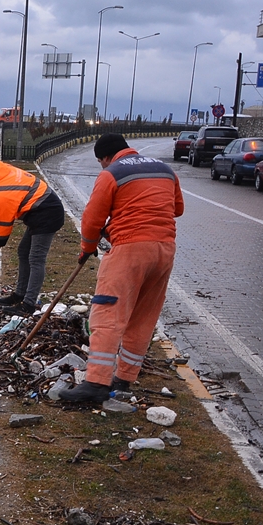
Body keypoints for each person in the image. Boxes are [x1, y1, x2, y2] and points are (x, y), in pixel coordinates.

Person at [59, 133, 184, 402]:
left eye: (100, 162)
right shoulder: (165, 170)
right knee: (142, 317)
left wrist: (88, 247)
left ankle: (95, 384)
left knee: (106, 316)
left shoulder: (111, 173)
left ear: (104, 157)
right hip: (165, 250)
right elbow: (178, 209)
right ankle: (124, 379)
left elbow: (92, 219)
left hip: (129, 250)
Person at [0, 161, 65, 316]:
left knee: (36, 258)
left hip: (47, 212)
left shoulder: (0, 193)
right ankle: (20, 294)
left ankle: (28, 305)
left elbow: (3, 226)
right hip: (38, 209)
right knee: (23, 251)